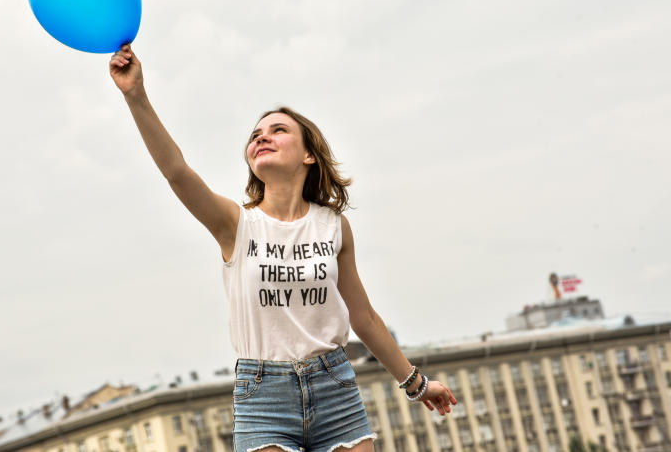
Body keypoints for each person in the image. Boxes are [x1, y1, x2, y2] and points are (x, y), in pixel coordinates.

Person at [109, 44, 457, 452]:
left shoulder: (333, 227)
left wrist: (416, 384)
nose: (262, 138)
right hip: (263, 397)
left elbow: (363, 317)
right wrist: (136, 96)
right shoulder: (235, 224)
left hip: (335, 389)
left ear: (309, 154)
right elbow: (176, 172)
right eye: (256, 135)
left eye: (277, 130)